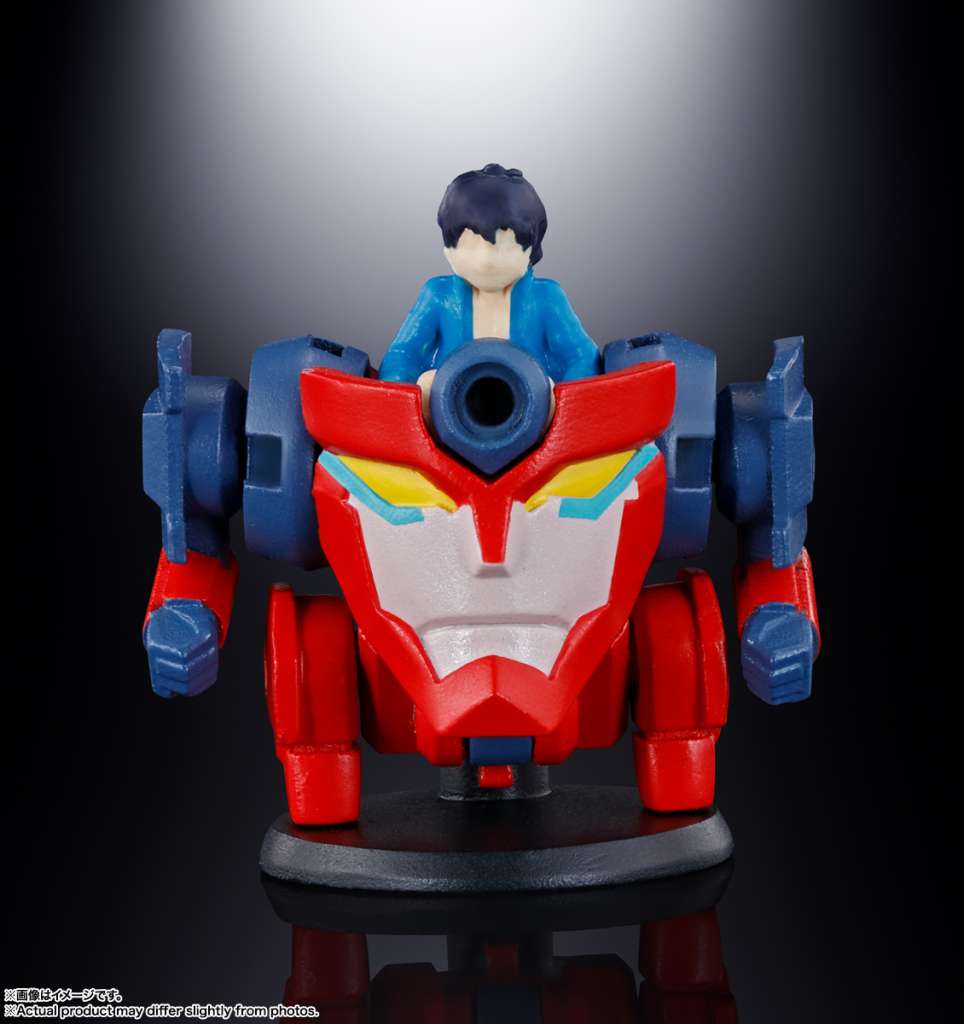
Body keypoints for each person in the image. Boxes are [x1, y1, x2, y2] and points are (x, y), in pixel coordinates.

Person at [378, 164, 601, 391]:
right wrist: (412, 392)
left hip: (532, 403)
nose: (485, 261)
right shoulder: (438, 296)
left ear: (531, 248)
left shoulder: (546, 298)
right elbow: (402, 354)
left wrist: (560, 395)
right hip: (448, 403)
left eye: (504, 248)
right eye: (469, 247)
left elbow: (581, 356)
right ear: (448, 249)